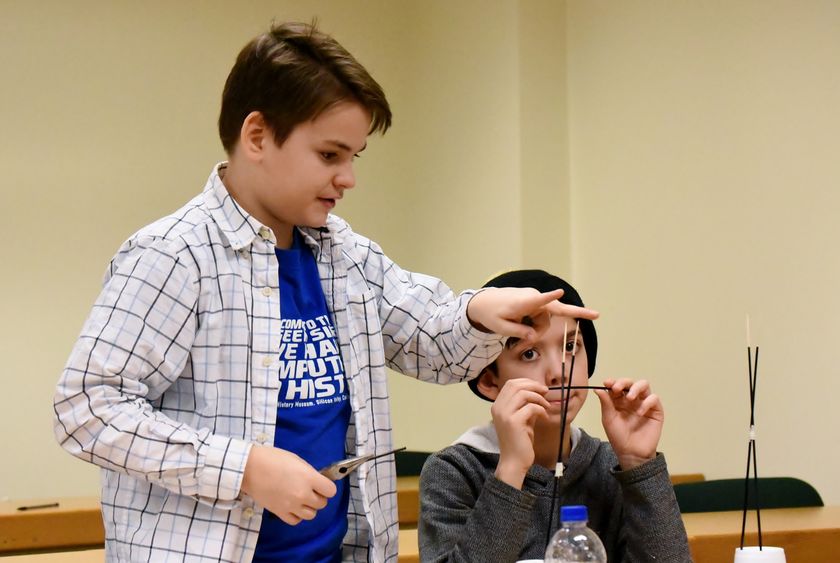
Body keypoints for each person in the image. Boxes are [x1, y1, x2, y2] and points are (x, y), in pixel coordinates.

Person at [52, 23, 598, 563]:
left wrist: (479, 312)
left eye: (354, 157)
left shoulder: (346, 256)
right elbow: (86, 407)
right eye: (330, 155)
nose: (348, 178)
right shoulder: (175, 254)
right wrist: (245, 468)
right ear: (258, 136)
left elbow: (432, 344)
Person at [418, 270, 690, 562]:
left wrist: (639, 467)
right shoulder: (454, 471)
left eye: (571, 347)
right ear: (488, 380)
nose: (558, 372)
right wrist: (511, 469)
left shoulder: (610, 466)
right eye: (529, 354)